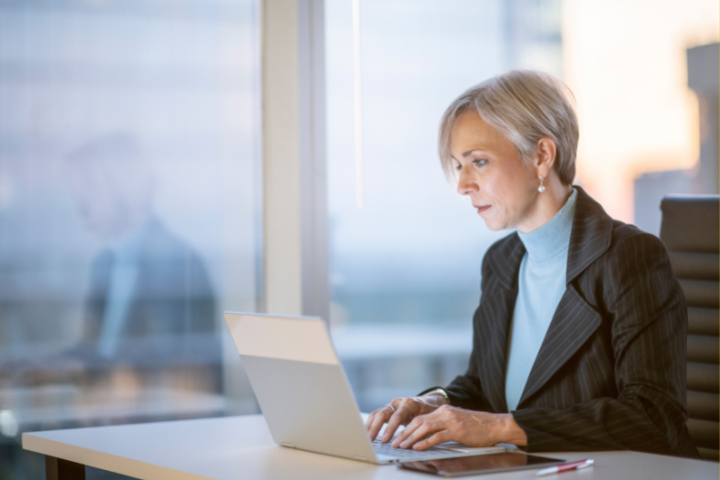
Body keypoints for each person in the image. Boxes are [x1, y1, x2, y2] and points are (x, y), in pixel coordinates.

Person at [365, 70, 698, 458]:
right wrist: (434, 402)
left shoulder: (629, 257)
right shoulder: (502, 261)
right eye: (459, 165)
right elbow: (483, 387)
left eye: (480, 162)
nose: (463, 185)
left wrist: (502, 426)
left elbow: (653, 416)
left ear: (542, 156)